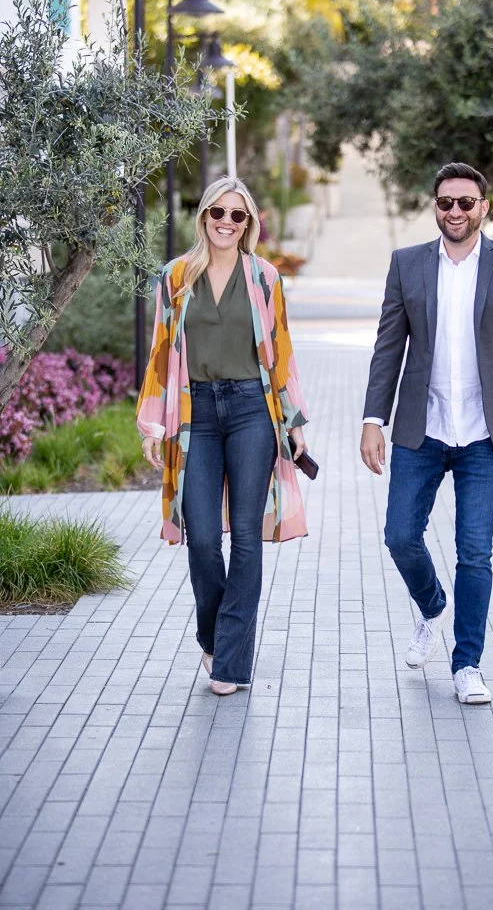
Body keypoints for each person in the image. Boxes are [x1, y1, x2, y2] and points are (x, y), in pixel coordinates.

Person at [360, 162, 493, 704]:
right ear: (435, 207)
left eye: (467, 202)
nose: (456, 212)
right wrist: (375, 420)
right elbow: (387, 347)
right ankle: (433, 606)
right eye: (446, 202)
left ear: (484, 207)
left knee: (475, 552)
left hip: (487, 435)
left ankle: (467, 665)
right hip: (423, 428)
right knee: (399, 536)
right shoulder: (408, 264)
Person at [136, 176, 309, 697]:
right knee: (205, 538)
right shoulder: (176, 276)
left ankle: (230, 660)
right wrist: (152, 423)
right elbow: (161, 354)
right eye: (218, 213)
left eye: (238, 216)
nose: (227, 223)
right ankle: (213, 635)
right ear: (203, 217)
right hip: (196, 414)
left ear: (249, 224)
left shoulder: (264, 277)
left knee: (248, 538)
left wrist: (294, 421)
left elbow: (280, 350)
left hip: (253, 410)